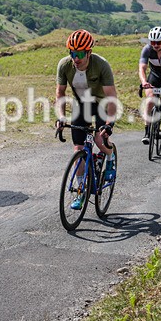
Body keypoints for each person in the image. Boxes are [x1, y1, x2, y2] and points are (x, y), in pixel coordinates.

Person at [55, 29, 118, 210]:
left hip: (102, 104)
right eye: (73, 53)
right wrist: (61, 117)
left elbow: (111, 97)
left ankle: (110, 155)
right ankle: (81, 191)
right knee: (78, 149)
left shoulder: (101, 65)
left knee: (99, 139)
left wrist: (109, 123)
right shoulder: (64, 65)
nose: (76, 58)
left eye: (80, 54)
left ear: (89, 52)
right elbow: (60, 93)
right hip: (81, 104)